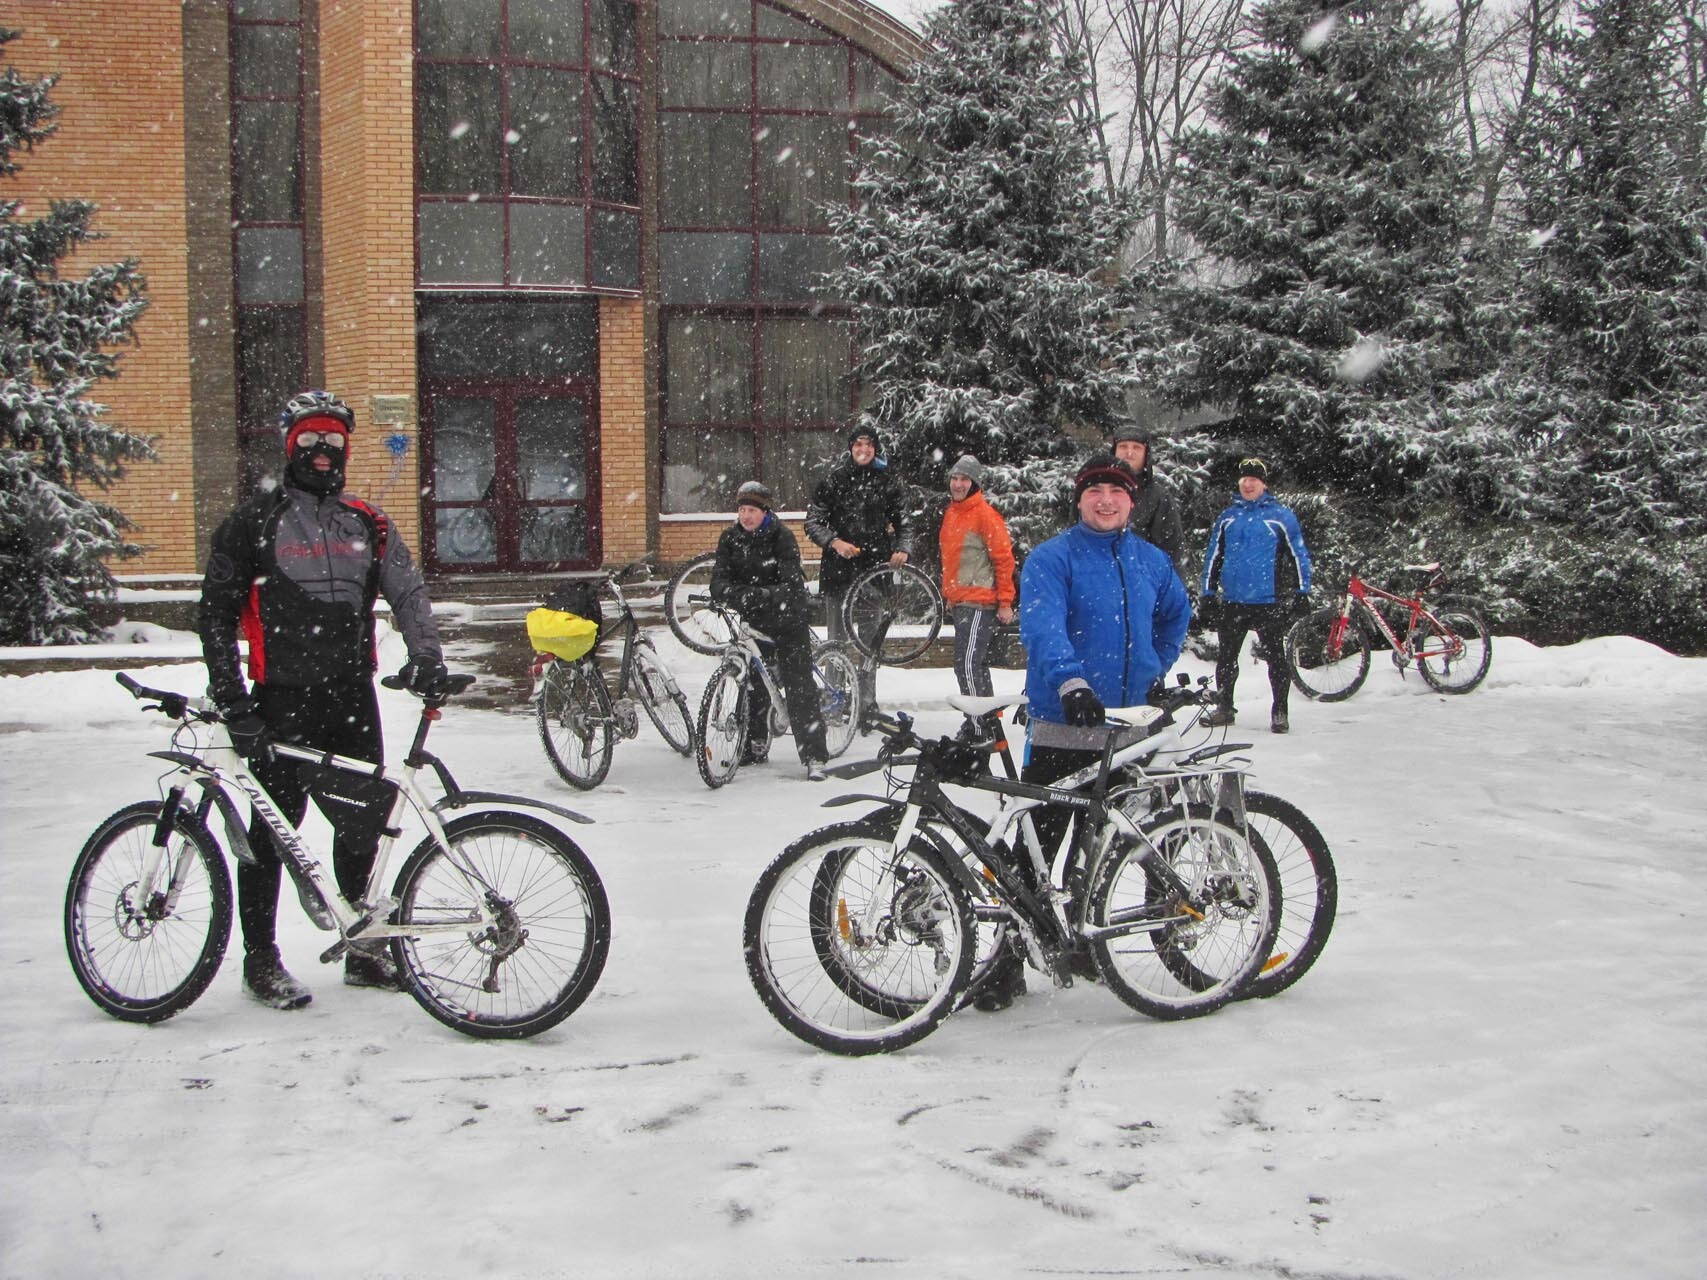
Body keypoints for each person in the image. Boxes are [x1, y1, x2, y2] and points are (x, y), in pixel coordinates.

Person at [198, 390, 448, 1010]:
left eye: (333, 441)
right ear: (289, 446)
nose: (321, 451)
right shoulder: (252, 522)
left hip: (350, 696)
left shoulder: (368, 521)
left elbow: (408, 591)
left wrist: (427, 656)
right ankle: (261, 960)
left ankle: (362, 948)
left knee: (362, 827)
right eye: (309, 440)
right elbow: (215, 616)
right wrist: (234, 703)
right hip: (280, 701)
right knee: (271, 836)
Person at [983, 455, 1190, 1012]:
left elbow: (1177, 614)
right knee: (1036, 852)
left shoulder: (1150, 560)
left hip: (1126, 731)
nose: (1106, 500)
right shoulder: (1054, 558)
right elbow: (1042, 625)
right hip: (1064, 728)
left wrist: (1156, 664)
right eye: (1095, 491)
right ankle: (1004, 963)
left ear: (1131, 502)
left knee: (1100, 851)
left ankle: (1081, 945)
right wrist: (1071, 681)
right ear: (1079, 500)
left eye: (1117, 492)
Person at [709, 481, 830, 781]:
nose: (746, 516)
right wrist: (734, 594)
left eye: (752, 510)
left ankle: (814, 755)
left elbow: (791, 584)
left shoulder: (781, 537)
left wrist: (764, 594)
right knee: (754, 683)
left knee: (799, 684)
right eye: (742, 510)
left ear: (765, 512)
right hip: (754, 621)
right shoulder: (730, 539)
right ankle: (754, 744)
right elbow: (718, 581)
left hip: (788, 619)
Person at [1198, 456, 1313, 734]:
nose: (1248, 484)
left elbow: (1298, 555)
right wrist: (1208, 593)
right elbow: (1214, 556)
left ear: (1264, 484)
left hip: (1268, 601)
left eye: (1253, 480)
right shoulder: (1228, 517)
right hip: (1233, 600)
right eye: (1244, 480)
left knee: (1276, 658)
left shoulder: (1280, 516)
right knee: (1226, 658)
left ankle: (1280, 711)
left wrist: (1302, 592)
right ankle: (1225, 707)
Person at [804, 426, 912, 720]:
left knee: (869, 644)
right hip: (838, 573)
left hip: (873, 572)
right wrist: (835, 542)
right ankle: (835, 700)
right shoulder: (834, 480)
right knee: (836, 643)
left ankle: (866, 704)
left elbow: (904, 522)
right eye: (858, 445)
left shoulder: (887, 482)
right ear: (850, 448)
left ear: (875, 449)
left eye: (869, 445)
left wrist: (902, 548)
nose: (863, 450)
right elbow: (812, 522)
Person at [937, 455, 1016, 698]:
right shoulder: (952, 513)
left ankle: (977, 718)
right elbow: (952, 559)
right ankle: (989, 719)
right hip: (961, 602)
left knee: (967, 666)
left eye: (964, 479)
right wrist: (950, 595)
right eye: (955, 478)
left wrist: (1005, 602)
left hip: (980, 603)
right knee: (975, 665)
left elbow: (1003, 560)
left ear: (974, 484)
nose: (958, 484)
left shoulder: (985, 515)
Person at [1109, 420, 1185, 572]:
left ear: (1146, 454)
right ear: (1114, 451)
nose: (1129, 453)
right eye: (1123, 446)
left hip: (1142, 578)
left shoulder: (1159, 497)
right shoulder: (1092, 491)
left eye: (1136, 447)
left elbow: (1171, 551)